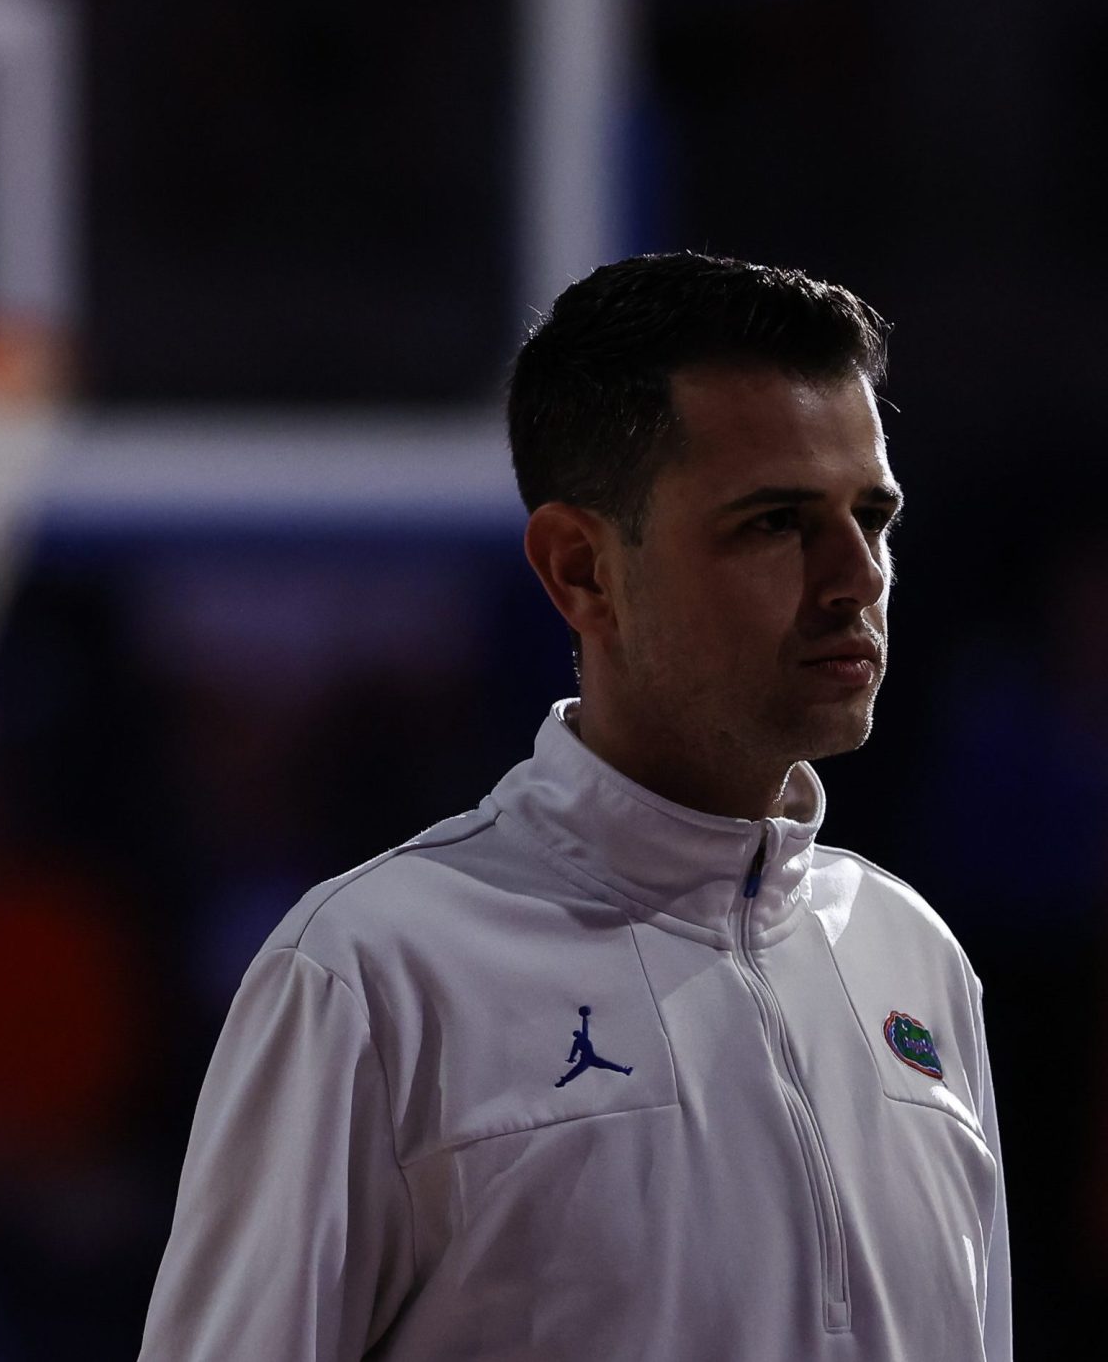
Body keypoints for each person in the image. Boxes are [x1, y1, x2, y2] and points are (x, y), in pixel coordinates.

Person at [134, 253, 1009, 1360]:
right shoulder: (373, 972)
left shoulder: (914, 957)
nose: (857, 576)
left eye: (871, 516)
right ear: (582, 567)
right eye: (778, 522)